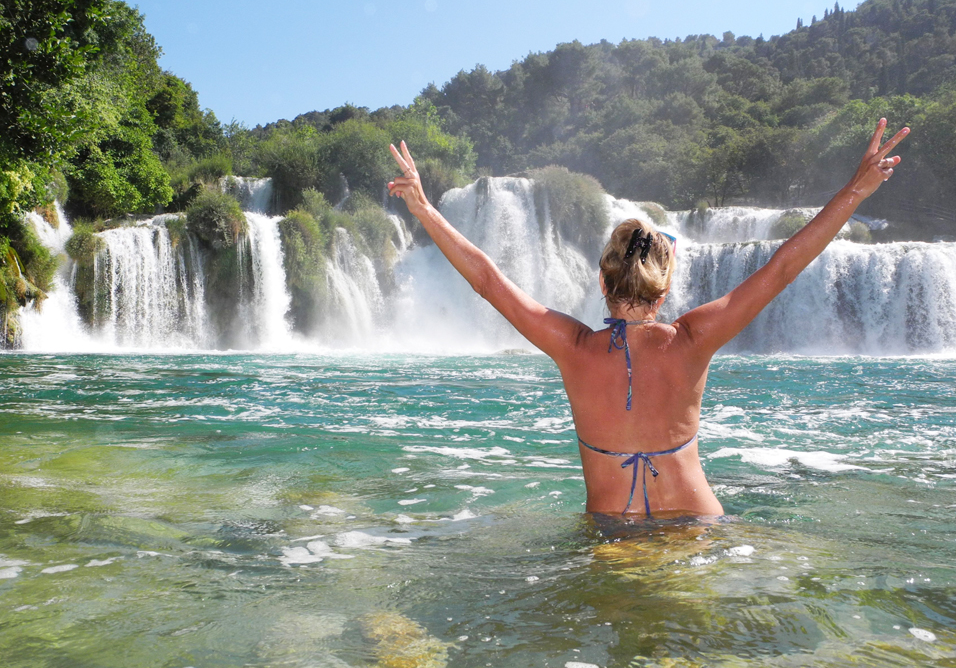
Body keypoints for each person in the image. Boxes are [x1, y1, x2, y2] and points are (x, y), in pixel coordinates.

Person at [388, 119, 909, 518]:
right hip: (696, 526)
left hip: (612, 534)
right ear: (665, 291)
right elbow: (783, 268)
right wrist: (856, 191)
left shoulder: (572, 347)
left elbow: (486, 279)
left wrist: (423, 208)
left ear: (600, 281)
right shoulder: (694, 338)